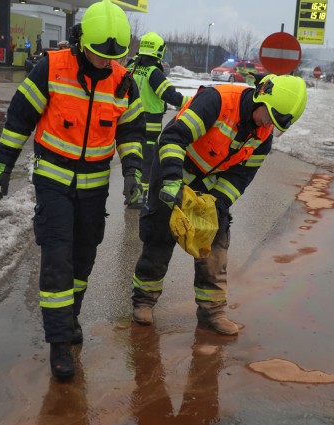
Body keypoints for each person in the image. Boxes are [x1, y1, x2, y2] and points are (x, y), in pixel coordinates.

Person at [0, 0, 145, 379]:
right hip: (54, 182)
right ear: (79, 42)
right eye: (99, 55)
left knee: (83, 257)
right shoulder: (52, 68)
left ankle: (69, 317)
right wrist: (2, 166)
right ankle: (59, 343)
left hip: (95, 187)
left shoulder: (124, 81)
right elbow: (19, 118)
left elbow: (131, 133)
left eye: (114, 57)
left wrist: (136, 172)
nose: (106, 62)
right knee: (57, 258)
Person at [130, 74, 307, 335]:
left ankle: (211, 312)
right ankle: (144, 301)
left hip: (209, 186)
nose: (267, 124)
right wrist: (171, 181)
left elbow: (241, 176)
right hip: (175, 170)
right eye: (267, 116)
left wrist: (218, 204)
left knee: (215, 243)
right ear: (261, 96)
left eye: (274, 122)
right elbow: (172, 139)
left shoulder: (263, 134)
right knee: (160, 235)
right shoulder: (217, 101)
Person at [126, 32, 191, 209]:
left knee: (133, 159)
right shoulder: (154, 72)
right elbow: (171, 96)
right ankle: (140, 196)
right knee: (148, 161)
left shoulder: (131, 65)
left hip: (130, 121)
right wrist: (193, 102)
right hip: (149, 124)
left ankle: (132, 192)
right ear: (159, 51)